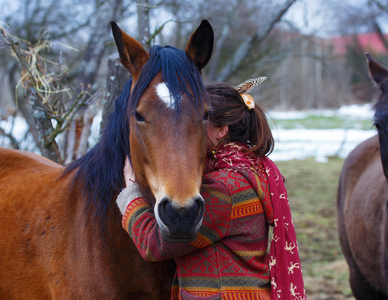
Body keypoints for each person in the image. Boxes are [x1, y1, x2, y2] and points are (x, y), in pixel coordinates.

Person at [116, 77, 306, 300]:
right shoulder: (249, 168)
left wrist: (131, 195)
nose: (187, 132)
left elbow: (155, 245)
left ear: (221, 131)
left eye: (198, 123)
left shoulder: (225, 189)